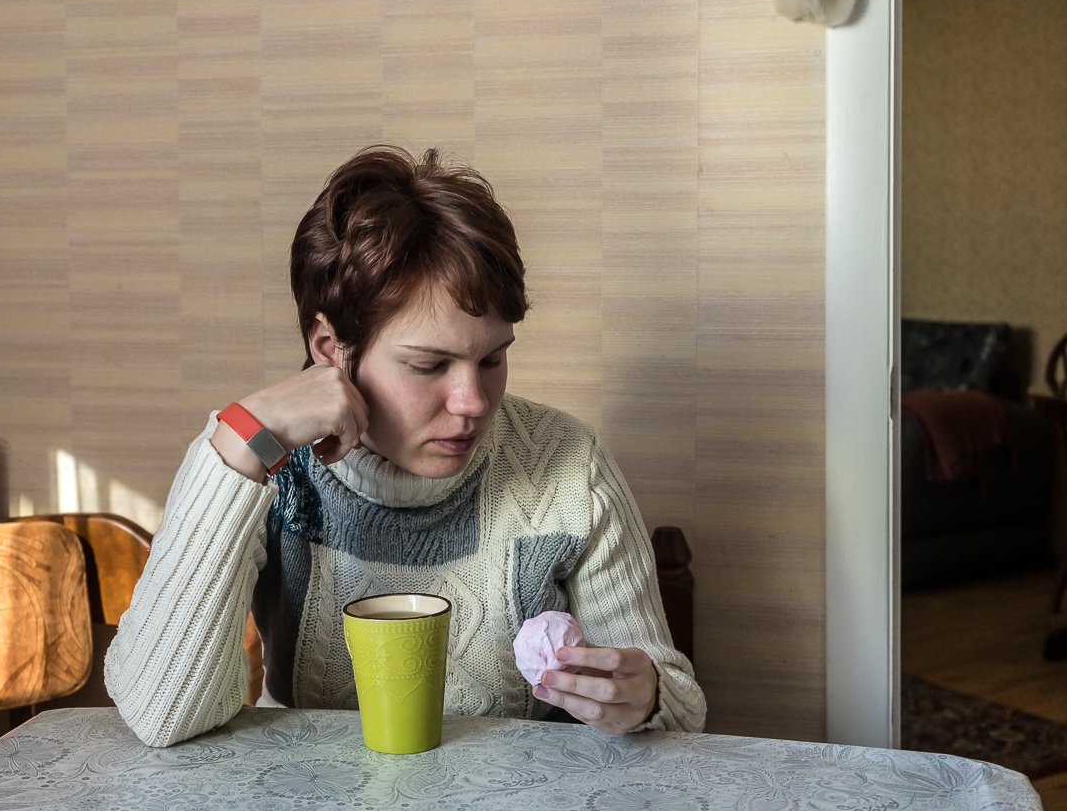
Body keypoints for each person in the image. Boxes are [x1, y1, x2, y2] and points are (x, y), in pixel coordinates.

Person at [105, 146, 706, 747]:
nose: (473, 401)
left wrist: (645, 695)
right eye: (429, 364)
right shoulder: (267, 466)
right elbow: (163, 713)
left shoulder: (568, 465)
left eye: (493, 357)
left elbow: (680, 716)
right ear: (328, 348)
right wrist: (238, 442)